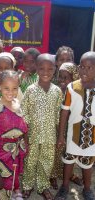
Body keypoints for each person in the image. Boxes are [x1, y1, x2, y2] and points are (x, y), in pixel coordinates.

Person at [22, 54, 63, 199]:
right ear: (36, 69)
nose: (46, 72)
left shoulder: (57, 91)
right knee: (30, 161)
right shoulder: (30, 90)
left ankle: (43, 186)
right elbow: (24, 114)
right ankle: (27, 185)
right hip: (32, 135)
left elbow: (59, 115)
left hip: (50, 135)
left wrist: (60, 136)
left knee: (46, 162)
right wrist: (25, 136)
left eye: (50, 69)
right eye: (42, 68)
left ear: (54, 70)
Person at [55, 51, 95, 200]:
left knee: (87, 164)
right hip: (73, 134)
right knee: (68, 161)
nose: (84, 70)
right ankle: (64, 186)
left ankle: (87, 188)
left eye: (89, 68)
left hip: (92, 135)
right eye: (82, 67)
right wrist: (61, 136)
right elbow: (64, 113)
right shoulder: (72, 87)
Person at [0, 70, 28, 199]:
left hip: (16, 145)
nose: (11, 92)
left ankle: (16, 189)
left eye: (14, 88)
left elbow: (22, 122)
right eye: (6, 88)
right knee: (3, 170)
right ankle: (4, 192)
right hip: (1, 146)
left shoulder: (18, 103)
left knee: (15, 168)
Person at [50, 62, 81, 190]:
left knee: (69, 152)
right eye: (60, 77)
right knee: (55, 152)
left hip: (71, 128)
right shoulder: (55, 90)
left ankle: (68, 174)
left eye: (66, 77)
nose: (62, 80)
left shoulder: (76, 92)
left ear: (74, 78)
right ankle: (52, 175)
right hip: (56, 127)